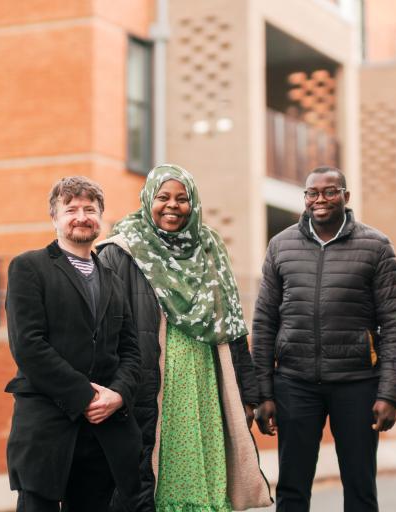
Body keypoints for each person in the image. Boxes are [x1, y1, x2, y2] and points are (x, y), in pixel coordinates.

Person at [98, 164, 272, 512]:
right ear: (148, 199)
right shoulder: (121, 250)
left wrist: (249, 394)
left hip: (207, 382)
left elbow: (233, 328)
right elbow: (103, 330)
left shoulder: (209, 249)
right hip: (155, 384)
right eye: (163, 197)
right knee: (153, 477)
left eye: (182, 198)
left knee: (206, 477)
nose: (172, 206)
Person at [252, 166, 396, 511]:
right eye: (312, 193)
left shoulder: (376, 246)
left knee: (360, 487)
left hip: (357, 384)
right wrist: (263, 393)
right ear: (305, 198)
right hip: (294, 384)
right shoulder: (281, 246)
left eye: (329, 191)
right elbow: (264, 322)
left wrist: (390, 394)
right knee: (292, 487)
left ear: (345, 196)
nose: (320, 199)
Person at [4, 176, 142, 512]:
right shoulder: (28, 267)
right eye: (71, 209)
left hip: (103, 436)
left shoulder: (113, 279)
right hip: (47, 430)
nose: (82, 217)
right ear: (54, 217)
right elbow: (28, 347)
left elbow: (131, 351)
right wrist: (87, 396)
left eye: (90, 210)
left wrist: (118, 394)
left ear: (101, 217)